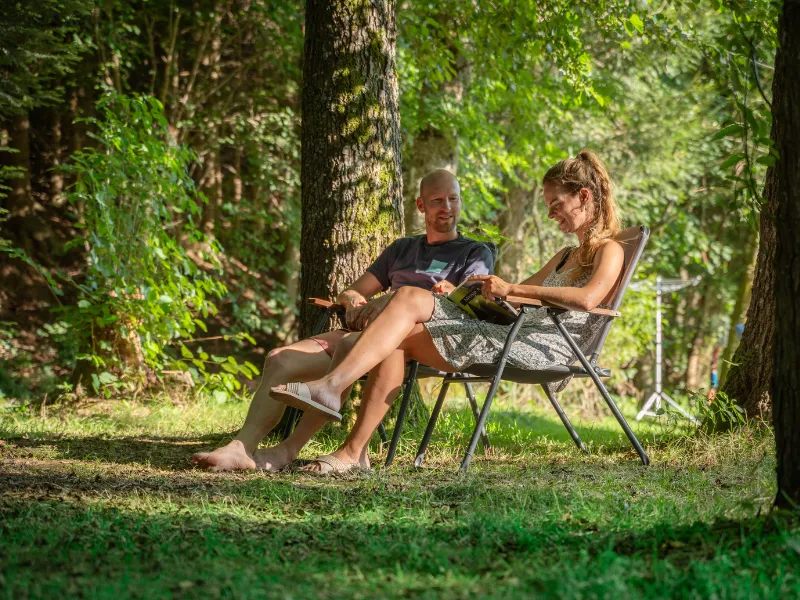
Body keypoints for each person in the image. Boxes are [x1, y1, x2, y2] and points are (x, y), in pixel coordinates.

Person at [270, 150, 626, 473]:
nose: (550, 213)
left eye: (556, 203)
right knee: (394, 339)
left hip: (543, 347)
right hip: (509, 331)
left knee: (408, 296)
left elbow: (588, 300)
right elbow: (512, 300)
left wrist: (511, 288)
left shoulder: (610, 250)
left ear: (584, 196)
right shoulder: (563, 255)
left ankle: (332, 387)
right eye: (548, 204)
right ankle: (353, 452)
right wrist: (476, 294)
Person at [191, 169, 494, 471]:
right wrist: (353, 302)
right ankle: (241, 448)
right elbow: (353, 291)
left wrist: (437, 292)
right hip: (367, 330)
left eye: (453, 199)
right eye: (438, 200)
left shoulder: (472, 251)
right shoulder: (403, 249)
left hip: (419, 335)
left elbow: (470, 296)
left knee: (351, 344)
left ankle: (292, 448)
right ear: (420, 205)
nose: (447, 207)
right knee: (280, 358)